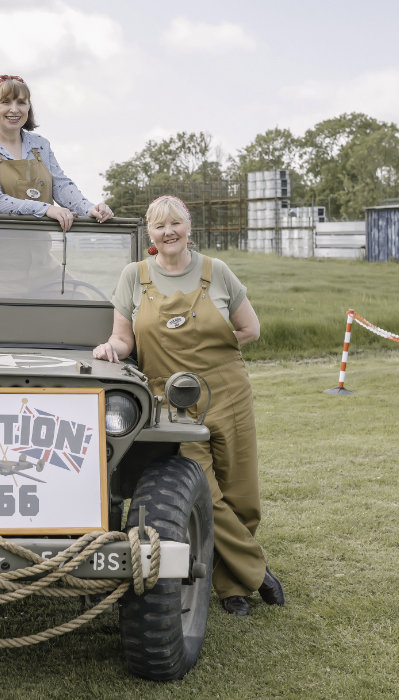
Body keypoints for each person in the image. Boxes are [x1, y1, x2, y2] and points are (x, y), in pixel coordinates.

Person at [92, 195, 284, 616]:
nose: (169, 232)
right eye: (160, 226)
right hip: (170, 401)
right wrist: (112, 348)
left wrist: (207, 352)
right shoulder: (134, 276)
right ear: (150, 233)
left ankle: (233, 587)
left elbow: (249, 328)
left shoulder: (218, 273)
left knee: (241, 490)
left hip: (227, 390)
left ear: (188, 227)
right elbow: (124, 338)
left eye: (175, 223)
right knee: (205, 490)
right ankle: (256, 571)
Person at [0, 75, 113, 296]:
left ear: (29, 107)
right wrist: (46, 209)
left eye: (21, 102)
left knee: (77, 299)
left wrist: (89, 208)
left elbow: (60, 184)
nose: (14, 109)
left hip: (40, 260)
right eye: (6, 102)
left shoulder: (40, 144)